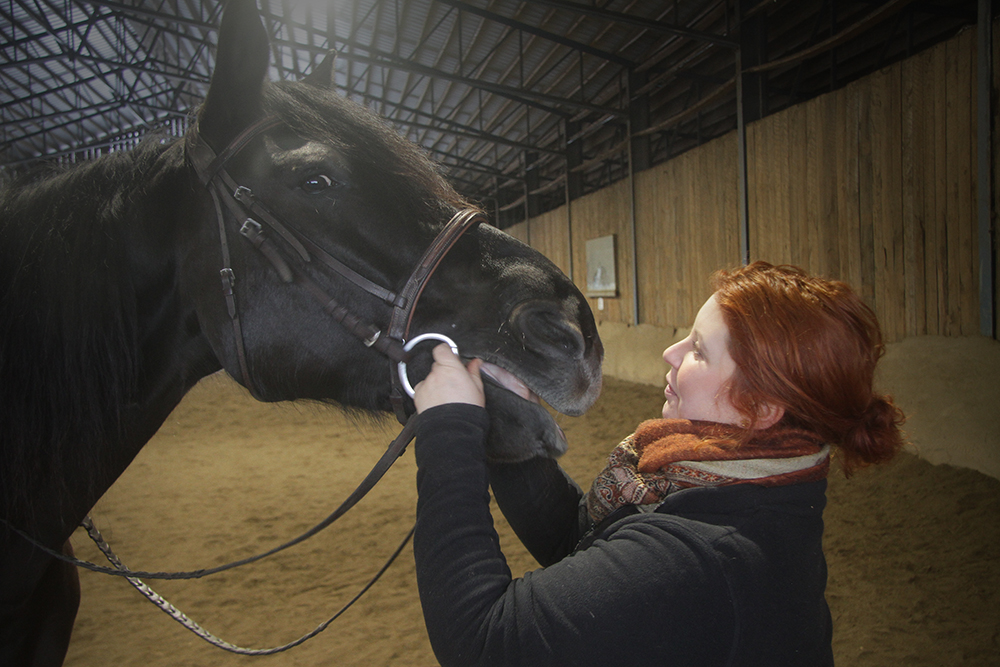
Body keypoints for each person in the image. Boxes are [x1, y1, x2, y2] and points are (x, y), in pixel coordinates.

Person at [410, 261, 906, 667]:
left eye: (698, 350)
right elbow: (576, 541)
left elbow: (482, 642)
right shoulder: (759, 487)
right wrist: (509, 420)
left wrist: (449, 432)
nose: (670, 353)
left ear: (762, 408)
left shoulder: (704, 554)